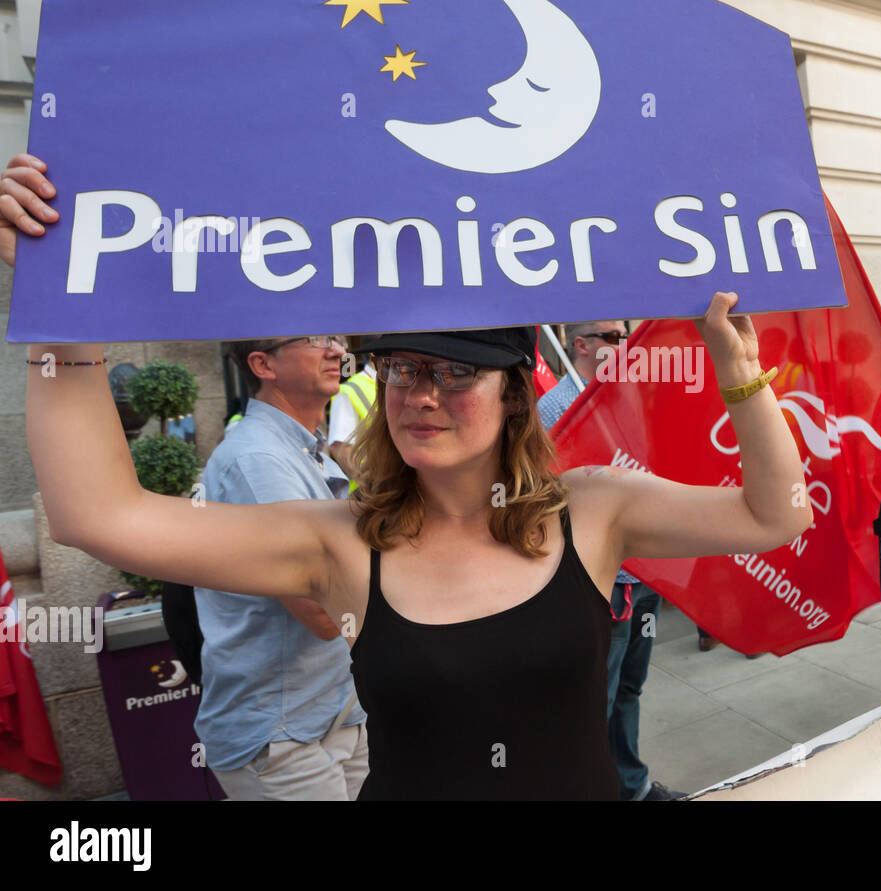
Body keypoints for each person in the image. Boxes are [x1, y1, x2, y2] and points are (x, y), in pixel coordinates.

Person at [3, 153, 812, 800]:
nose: (422, 394)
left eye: (457, 372)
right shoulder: (339, 541)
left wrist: (738, 373)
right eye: (403, 369)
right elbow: (96, 514)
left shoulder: (596, 507)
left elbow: (775, 514)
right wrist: (60, 312)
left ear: (513, 394)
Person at [193, 335, 366, 800]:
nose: (336, 349)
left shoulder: (304, 447)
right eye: (314, 338)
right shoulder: (257, 459)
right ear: (262, 364)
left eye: (336, 336)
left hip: (337, 712)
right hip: (283, 734)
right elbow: (320, 612)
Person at [539, 321, 682, 801]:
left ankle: (631, 784)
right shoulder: (556, 408)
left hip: (645, 570)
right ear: (581, 345)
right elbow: (544, 500)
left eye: (626, 335)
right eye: (614, 337)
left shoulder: (629, 398)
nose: (626, 344)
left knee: (630, 687)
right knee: (597, 694)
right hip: (602, 579)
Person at [327, 353, 377, 487]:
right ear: (374, 354)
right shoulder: (348, 391)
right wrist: (375, 485)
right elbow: (340, 448)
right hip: (371, 497)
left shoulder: (393, 386)